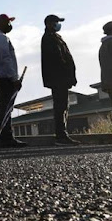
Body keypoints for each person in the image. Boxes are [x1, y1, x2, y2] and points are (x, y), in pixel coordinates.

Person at [41, 14, 80, 145]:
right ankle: (61, 136)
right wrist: (66, 75)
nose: (58, 24)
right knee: (60, 106)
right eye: (56, 22)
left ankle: (62, 134)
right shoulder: (49, 38)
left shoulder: (55, 37)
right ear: (49, 24)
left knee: (63, 106)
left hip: (61, 78)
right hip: (58, 79)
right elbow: (57, 60)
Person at [0, 14, 26, 147]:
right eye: (7, 22)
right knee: (6, 108)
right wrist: (14, 78)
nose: (10, 24)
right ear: (0, 23)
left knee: (4, 107)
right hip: (5, 78)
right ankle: (6, 138)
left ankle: (6, 136)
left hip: (1, 77)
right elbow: (6, 58)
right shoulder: (2, 38)